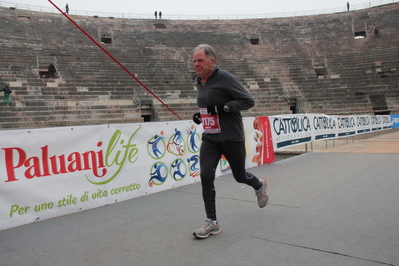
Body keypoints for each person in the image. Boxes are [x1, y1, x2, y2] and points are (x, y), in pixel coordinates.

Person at [191, 44, 269, 239]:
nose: (196, 64)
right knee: (206, 174)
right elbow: (210, 106)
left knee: (239, 175)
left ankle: (259, 185)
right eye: (194, 61)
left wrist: (224, 108)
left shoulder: (224, 77)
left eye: (200, 60)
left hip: (231, 136)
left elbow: (247, 101)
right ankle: (212, 223)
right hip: (210, 137)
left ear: (212, 61)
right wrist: (202, 115)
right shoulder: (200, 82)